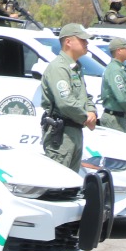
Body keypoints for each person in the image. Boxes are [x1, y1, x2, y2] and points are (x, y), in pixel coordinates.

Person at [38, 22, 98, 170]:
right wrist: (86, 118)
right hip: (61, 135)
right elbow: (65, 102)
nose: (86, 43)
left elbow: (85, 96)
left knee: (73, 180)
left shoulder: (75, 67)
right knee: (59, 180)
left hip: (74, 131)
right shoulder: (59, 67)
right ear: (68, 42)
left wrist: (92, 111)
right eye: (82, 40)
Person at [99, 36, 126, 133]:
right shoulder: (115, 70)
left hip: (119, 117)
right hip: (114, 119)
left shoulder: (118, 68)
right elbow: (121, 96)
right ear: (119, 51)